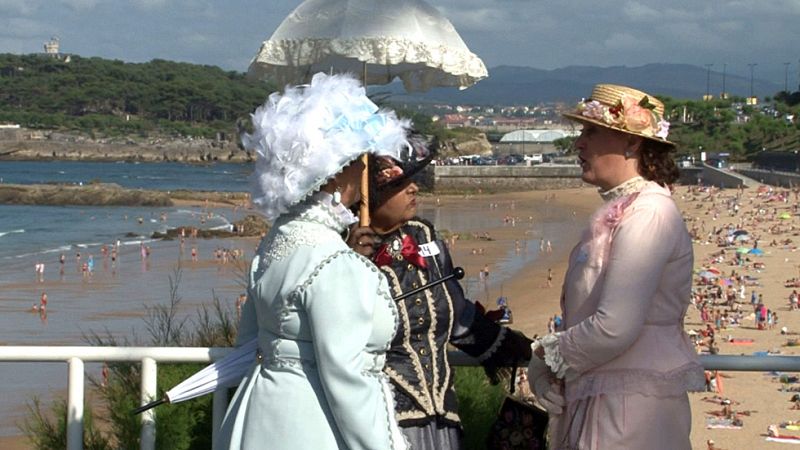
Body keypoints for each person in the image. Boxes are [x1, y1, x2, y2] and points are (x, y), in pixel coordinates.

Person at [215, 72, 411, 450]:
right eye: (361, 161)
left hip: (257, 415)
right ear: (337, 173)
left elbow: (248, 341)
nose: (367, 170)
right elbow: (348, 381)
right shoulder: (335, 262)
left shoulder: (276, 243)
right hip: (312, 426)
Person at [527, 84, 704, 449]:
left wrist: (548, 355)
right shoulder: (629, 209)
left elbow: (615, 326)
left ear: (633, 143)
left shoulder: (648, 213)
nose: (579, 144)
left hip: (627, 411)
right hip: (608, 397)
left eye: (590, 132)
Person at [348, 135, 532, 449]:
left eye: (412, 180)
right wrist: (349, 262)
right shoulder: (344, 248)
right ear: (370, 196)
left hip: (441, 419)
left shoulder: (424, 234)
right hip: (380, 419)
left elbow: (455, 310)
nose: (414, 188)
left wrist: (513, 348)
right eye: (401, 184)